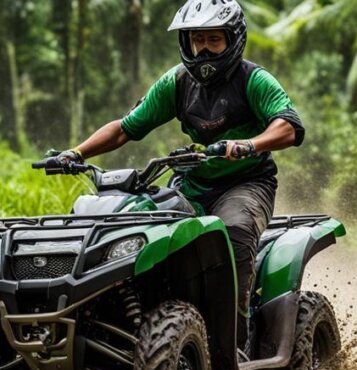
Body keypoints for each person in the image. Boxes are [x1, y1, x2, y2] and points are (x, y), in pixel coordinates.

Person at [48, 0, 304, 352]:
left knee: (235, 232)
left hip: (246, 183)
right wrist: (75, 153)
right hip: (192, 186)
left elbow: (289, 126)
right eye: (196, 40)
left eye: (213, 40)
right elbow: (125, 128)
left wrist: (250, 143)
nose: (203, 50)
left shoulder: (254, 80)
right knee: (139, 227)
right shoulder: (178, 83)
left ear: (233, 40)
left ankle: (236, 336)